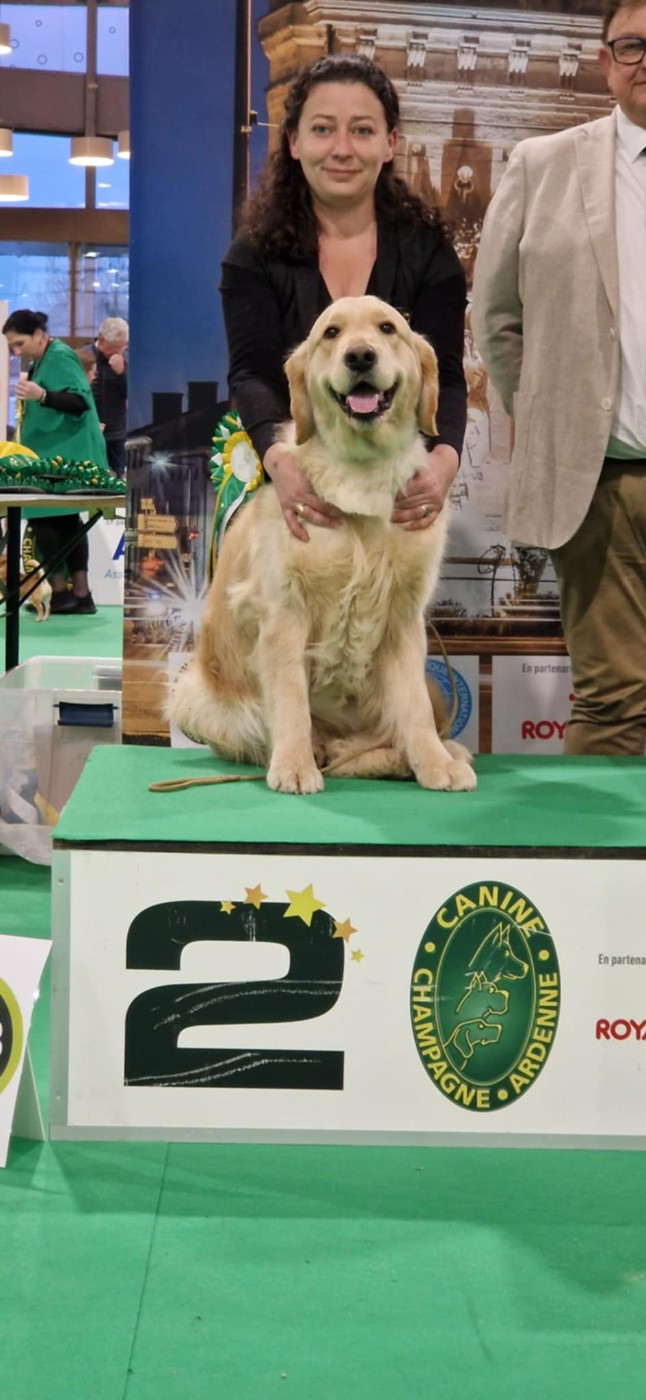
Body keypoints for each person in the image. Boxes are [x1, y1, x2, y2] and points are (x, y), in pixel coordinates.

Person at [471, 0, 646, 757]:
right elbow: (496, 315)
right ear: (605, 62)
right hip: (600, 482)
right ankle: (609, 875)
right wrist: (552, 418)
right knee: (614, 707)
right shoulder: (543, 166)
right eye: (632, 45)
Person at [220, 53, 467, 544]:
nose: (341, 149)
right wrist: (279, 465)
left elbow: (449, 376)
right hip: (293, 485)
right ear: (293, 142)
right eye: (322, 129)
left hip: (395, 496)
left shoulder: (430, 253)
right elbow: (251, 374)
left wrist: (442, 465)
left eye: (361, 130)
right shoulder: (251, 257)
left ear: (390, 143)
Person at [2, 308, 109, 615]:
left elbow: (80, 402)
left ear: (39, 334)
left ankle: (65, 593)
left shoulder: (60, 356)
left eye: (20, 343)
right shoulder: (43, 359)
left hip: (67, 457)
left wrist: (42, 395)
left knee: (47, 520)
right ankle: (78, 595)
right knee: (64, 523)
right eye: (12, 347)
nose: (16, 351)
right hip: (55, 456)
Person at [91, 316, 128, 478]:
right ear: (101, 339)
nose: (118, 352)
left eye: (122, 347)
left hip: (118, 434)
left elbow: (133, 394)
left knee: (119, 481)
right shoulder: (84, 357)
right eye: (114, 348)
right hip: (92, 431)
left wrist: (122, 374)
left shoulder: (127, 360)